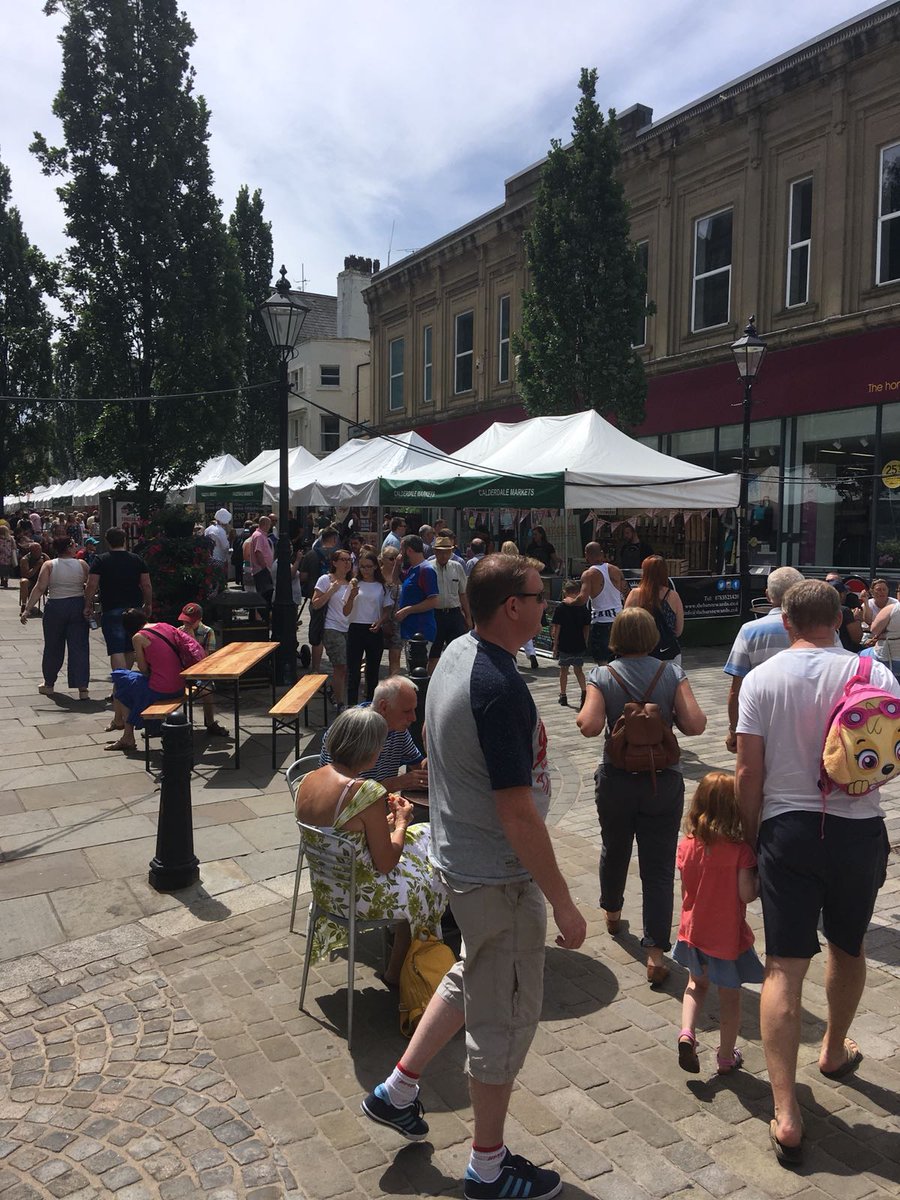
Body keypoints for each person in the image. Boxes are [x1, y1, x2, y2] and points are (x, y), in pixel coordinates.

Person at [362, 554, 586, 1200]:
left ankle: (397, 1089)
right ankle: (486, 1169)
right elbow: (517, 814)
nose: (549, 607)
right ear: (512, 606)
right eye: (541, 597)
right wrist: (565, 904)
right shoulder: (496, 687)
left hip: (462, 860)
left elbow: (442, 757)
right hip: (499, 876)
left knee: (473, 972)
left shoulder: (454, 656)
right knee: (504, 1023)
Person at [736, 580, 897, 1165]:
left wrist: (748, 843)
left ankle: (786, 1113)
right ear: (842, 618)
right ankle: (831, 1049)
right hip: (857, 830)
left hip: (788, 831)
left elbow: (747, 772)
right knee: (849, 946)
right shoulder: (874, 674)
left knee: (783, 966)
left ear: (785, 619)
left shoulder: (763, 679)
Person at [577, 607, 707, 984]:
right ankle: (655, 953)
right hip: (662, 781)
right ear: (652, 635)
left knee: (614, 847)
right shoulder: (672, 673)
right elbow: (696, 724)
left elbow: (588, 726)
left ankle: (613, 914)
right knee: (659, 866)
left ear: (616, 636)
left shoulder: (602, 674)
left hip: (617, 779)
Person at [296, 706, 447, 986]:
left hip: (328, 890)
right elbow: (386, 862)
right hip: (361, 897)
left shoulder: (308, 780)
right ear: (369, 749)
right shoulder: (365, 791)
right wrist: (400, 822)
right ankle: (402, 969)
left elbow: (342, 831)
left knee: (424, 836)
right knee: (429, 877)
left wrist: (382, 823)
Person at [673, 772, 763, 1076]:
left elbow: (686, 889)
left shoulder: (687, 845)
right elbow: (746, 894)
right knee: (730, 998)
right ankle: (726, 1057)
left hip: (693, 932)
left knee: (695, 986)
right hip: (726, 939)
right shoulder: (740, 852)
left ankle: (687, 1032)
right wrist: (759, 879)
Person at [722, 566, 804, 753]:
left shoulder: (749, 631)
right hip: (806, 726)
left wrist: (734, 731)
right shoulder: (819, 630)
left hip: (759, 725)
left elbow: (736, 689)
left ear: (767, 595)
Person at [319, 676, 428, 792]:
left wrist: (433, 749)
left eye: (414, 710)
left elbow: (418, 766)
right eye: (406, 711)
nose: (414, 718)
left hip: (379, 805)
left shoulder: (398, 731)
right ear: (384, 707)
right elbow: (340, 792)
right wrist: (394, 784)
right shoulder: (352, 732)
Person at [105, 609, 188, 753]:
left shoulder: (138, 637)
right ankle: (121, 726)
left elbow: (143, 669)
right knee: (125, 681)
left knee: (120, 680)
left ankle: (126, 733)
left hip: (162, 690)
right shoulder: (165, 626)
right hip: (180, 685)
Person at [22, 535, 91, 701]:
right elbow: (91, 585)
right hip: (77, 605)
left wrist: (27, 609)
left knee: (53, 646)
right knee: (79, 647)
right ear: (68, 547)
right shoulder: (82, 564)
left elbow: (39, 588)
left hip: (55, 606)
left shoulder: (49, 565)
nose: (76, 547)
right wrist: (88, 604)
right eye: (74, 544)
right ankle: (82, 688)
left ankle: (49, 684)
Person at [84, 528, 153, 671]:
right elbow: (146, 584)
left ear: (107, 541)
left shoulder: (101, 560)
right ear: (125, 540)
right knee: (129, 648)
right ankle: (126, 681)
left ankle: (120, 685)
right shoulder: (137, 559)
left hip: (111, 607)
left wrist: (87, 604)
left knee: (116, 649)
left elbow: (92, 584)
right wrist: (148, 604)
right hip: (134, 608)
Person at [567, 542, 628, 665]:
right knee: (621, 660)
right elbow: (627, 593)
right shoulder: (615, 570)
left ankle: (606, 683)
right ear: (601, 554)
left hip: (601, 621)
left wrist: (570, 602)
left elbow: (582, 599)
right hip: (618, 620)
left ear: (586, 555)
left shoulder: (588, 574)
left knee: (602, 661)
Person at [343, 550, 391, 706]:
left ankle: (370, 703)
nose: (365, 570)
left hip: (373, 628)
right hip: (356, 627)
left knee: (372, 671)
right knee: (353, 671)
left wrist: (380, 621)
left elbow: (387, 609)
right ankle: (351, 705)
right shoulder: (354, 584)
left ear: (375, 567)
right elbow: (345, 611)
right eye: (362, 567)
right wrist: (352, 596)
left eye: (369, 567)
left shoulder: (381, 586)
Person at [178, 602, 229, 736]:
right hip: (184, 671)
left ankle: (210, 722)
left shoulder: (207, 632)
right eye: (185, 620)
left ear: (199, 620)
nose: (186, 624)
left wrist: (192, 640)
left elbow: (207, 659)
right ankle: (171, 724)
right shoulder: (178, 631)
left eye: (190, 622)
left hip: (201, 671)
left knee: (206, 690)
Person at [312, 547, 353, 710]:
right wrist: (331, 590)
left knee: (348, 667)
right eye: (343, 560)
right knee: (340, 665)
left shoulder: (353, 581)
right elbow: (315, 604)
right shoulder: (325, 579)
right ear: (334, 563)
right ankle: (340, 702)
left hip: (350, 628)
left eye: (349, 560)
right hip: (331, 627)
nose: (347, 563)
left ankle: (335, 692)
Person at [624, 554, 685, 664]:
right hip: (669, 652)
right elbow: (678, 630)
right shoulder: (673, 596)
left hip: (641, 652)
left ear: (645, 572)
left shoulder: (635, 595)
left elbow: (625, 625)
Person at [427, 535, 472, 673]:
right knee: (434, 651)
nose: (444, 554)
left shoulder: (457, 567)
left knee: (460, 650)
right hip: (435, 614)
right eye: (441, 551)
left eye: (447, 551)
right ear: (435, 551)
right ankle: (430, 683)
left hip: (454, 613)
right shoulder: (428, 568)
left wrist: (468, 617)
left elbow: (463, 593)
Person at [551, 579, 590, 706]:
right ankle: (584, 692)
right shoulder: (582, 607)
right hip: (578, 642)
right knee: (579, 669)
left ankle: (563, 695)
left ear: (565, 592)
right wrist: (585, 641)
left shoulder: (561, 607)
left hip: (565, 643)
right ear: (578, 592)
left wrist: (555, 645)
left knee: (563, 670)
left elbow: (557, 628)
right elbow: (586, 627)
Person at [395, 535, 439, 649]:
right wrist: (397, 563)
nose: (400, 553)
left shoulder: (426, 570)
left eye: (401, 550)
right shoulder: (411, 569)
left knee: (419, 665)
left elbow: (433, 601)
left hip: (421, 631)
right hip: (409, 629)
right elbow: (395, 580)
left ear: (409, 551)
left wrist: (408, 610)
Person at [500, 542, 539, 668]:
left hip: (506, 598)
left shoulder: (501, 564)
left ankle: (511, 655)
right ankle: (531, 652)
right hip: (522, 597)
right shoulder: (523, 563)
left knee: (508, 628)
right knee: (523, 626)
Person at [378, 546, 404, 677]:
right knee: (374, 657)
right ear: (382, 559)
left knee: (395, 656)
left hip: (396, 620)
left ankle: (394, 686)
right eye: (390, 558)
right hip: (378, 619)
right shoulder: (376, 576)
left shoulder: (401, 575)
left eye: (396, 558)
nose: (394, 561)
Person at [826, 574, 863, 651]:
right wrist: (857, 619)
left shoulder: (818, 608)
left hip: (824, 649)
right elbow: (857, 638)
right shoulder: (844, 611)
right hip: (845, 651)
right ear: (842, 594)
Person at [248, 515, 275, 605]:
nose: (270, 527)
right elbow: (258, 552)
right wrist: (265, 568)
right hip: (261, 570)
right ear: (265, 525)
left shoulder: (261, 535)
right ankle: (265, 615)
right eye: (269, 525)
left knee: (267, 594)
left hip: (263, 570)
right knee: (265, 595)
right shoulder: (259, 536)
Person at [18, 542, 49, 617]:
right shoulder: (25, 559)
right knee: (24, 582)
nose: (39, 552)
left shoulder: (44, 557)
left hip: (42, 580)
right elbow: (27, 575)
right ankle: (24, 605)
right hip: (31, 580)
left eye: (39, 550)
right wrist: (37, 566)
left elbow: (51, 568)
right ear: (31, 551)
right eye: (36, 550)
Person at [203, 507, 232, 577]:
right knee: (219, 579)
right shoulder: (221, 531)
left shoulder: (207, 529)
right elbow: (225, 546)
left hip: (208, 559)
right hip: (219, 559)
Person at [0, 523, 15, 588]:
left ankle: (2, 579)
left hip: (1, 556)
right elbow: (14, 547)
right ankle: (6, 580)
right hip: (8, 556)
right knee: (7, 569)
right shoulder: (11, 538)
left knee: (1, 568)